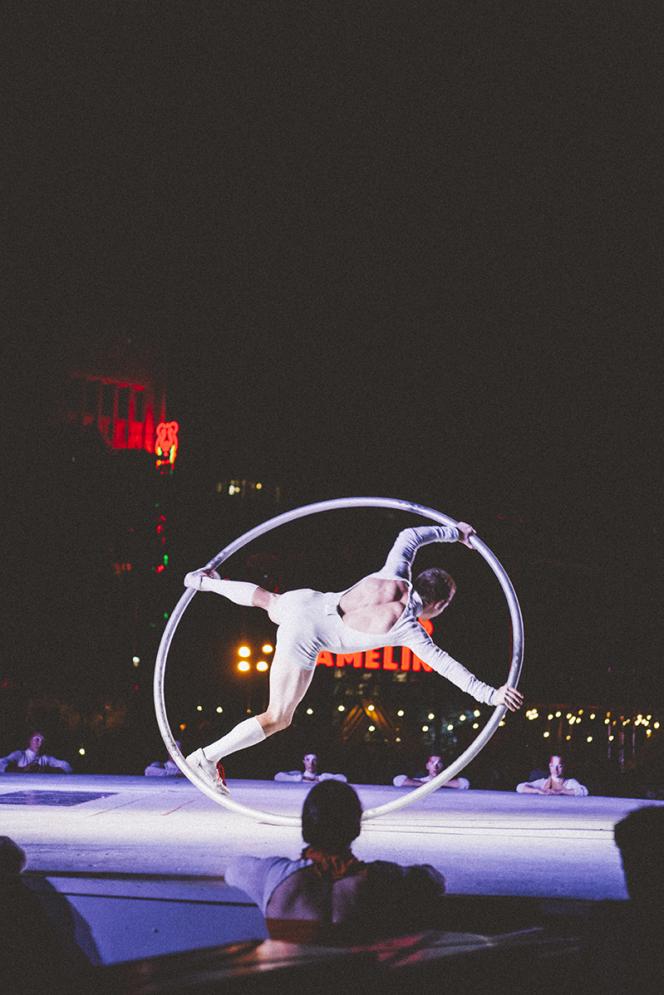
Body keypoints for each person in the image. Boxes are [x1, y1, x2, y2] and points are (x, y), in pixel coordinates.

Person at [185, 523, 523, 793]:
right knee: (277, 717)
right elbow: (448, 667)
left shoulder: (396, 572)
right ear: (439, 606)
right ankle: (205, 758)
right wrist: (491, 694)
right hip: (308, 635)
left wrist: (455, 534)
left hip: (307, 602)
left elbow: (410, 536)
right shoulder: (408, 627)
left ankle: (203, 582)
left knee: (268, 601)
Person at [225, 779, 447, 944]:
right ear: (357, 828)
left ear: (305, 827)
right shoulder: (382, 878)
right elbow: (434, 880)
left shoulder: (271, 875)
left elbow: (233, 871)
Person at [0, 731, 72, 774]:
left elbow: (66, 766)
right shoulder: (19, 754)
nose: (40, 743)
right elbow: (1, 763)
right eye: (37, 739)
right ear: (29, 740)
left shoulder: (45, 758)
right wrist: (22, 770)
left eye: (42, 741)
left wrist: (49, 771)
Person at [515, 754, 588, 796]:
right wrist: (537, 790)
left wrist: (561, 792)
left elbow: (584, 791)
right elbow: (520, 787)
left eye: (559, 766)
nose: (556, 770)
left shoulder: (570, 782)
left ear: (564, 767)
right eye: (553, 766)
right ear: (550, 766)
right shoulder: (543, 783)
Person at [393, 753, 470, 789]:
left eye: (438, 763)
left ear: (442, 766)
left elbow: (464, 783)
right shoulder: (419, 780)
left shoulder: (449, 782)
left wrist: (437, 783)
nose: (435, 766)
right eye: (432, 763)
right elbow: (398, 780)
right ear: (427, 766)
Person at [274, 751, 347, 783]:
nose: (311, 763)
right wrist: (299, 778)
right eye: (308, 760)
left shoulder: (322, 777)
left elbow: (343, 779)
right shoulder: (297, 774)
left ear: (318, 762)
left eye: (314, 760)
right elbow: (277, 777)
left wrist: (322, 778)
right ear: (304, 762)